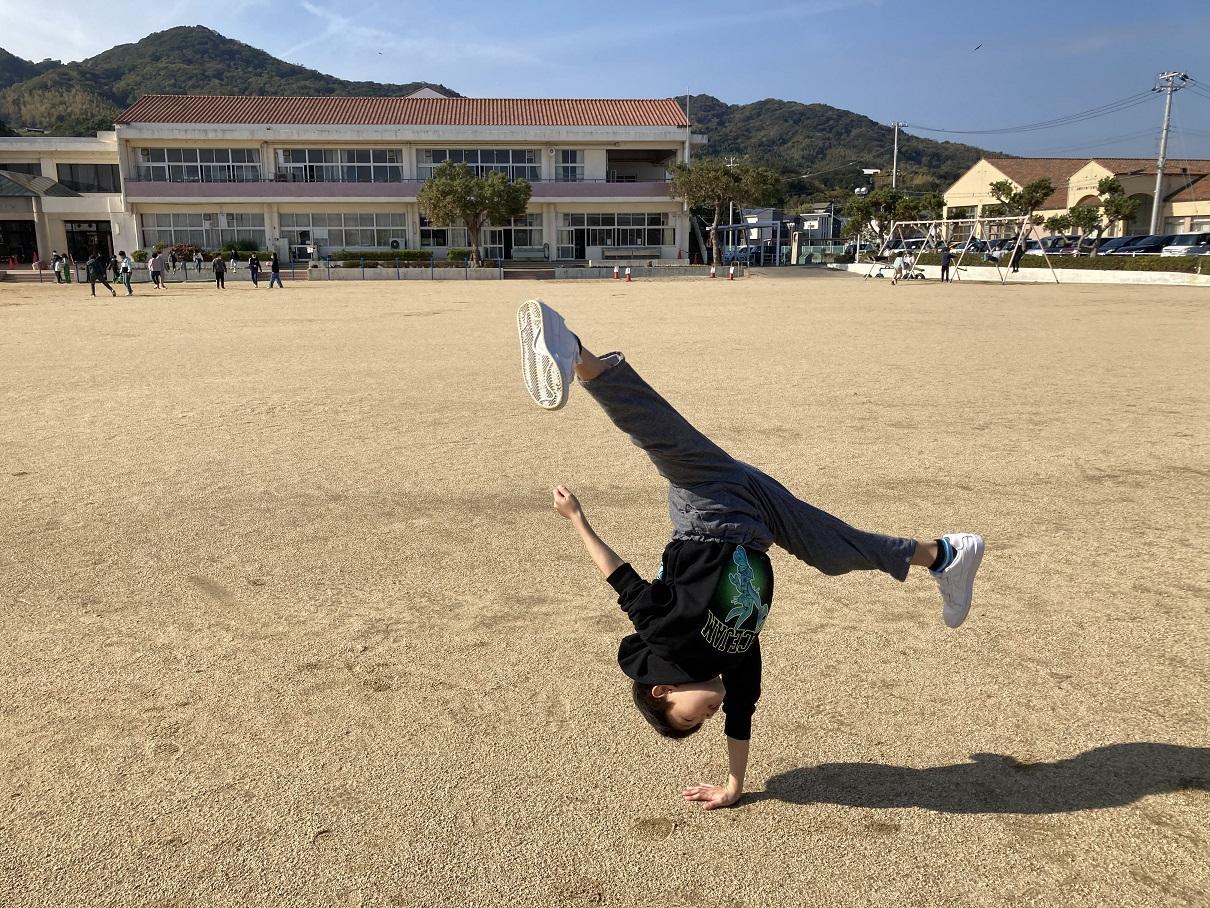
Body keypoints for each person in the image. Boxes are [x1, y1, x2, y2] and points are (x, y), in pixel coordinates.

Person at [515, 300, 985, 811]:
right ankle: (944, 555)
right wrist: (734, 785)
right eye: (702, 724)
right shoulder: (735, 657)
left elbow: (621, 579)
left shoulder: (666, 635)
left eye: (691, 717)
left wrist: (577, 519)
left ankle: (574, 352)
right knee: (832, 552)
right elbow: (740, 717)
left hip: (706, 509)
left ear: (662, 689)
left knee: (657, 435)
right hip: (755, 523)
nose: (707, 716)